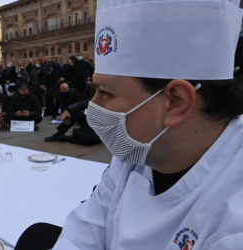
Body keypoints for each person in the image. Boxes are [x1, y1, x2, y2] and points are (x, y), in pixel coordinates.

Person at [15, 0, 243, 249]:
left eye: (106, 92)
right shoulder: (136, 153)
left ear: (175, 103)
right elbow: (83, 231)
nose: (94, 105)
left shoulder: (234, 219)